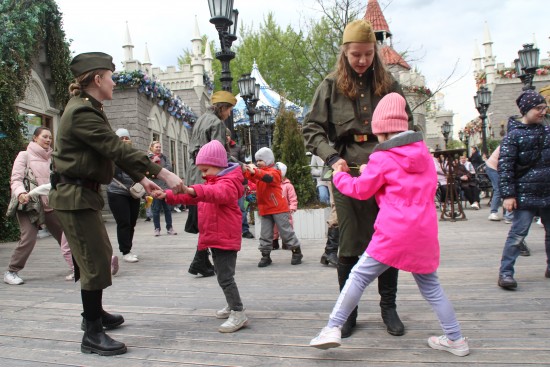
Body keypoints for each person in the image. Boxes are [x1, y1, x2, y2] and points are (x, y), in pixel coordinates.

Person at [309, 93, 469, 357]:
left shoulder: (382, 158)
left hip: (393, 233)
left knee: (358, 277)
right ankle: (456, 339)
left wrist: (339, 177)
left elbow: (360, 190)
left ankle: (333, 327)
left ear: (381, 131)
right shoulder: (426, 156)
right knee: (432, 288)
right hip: (424, 233)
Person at [49, 52, 183, 356]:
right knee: (94, 259)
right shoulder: (82, 112)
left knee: (95, 256)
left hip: (81, 194)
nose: (114, 80)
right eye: (111, 76)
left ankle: (93, 316)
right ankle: (92, 334)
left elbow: (107, 151)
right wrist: (161, 172)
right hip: (74, 196)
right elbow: (114, 147)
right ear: (97, 79)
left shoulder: (89, 108)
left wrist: (142, 179)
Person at [302, 19, 411, 338]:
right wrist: (333, 159)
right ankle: (347, 311)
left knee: (387, 240)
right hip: (346, 171)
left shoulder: (388, 83)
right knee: (349, 244)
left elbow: (407, 122)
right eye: (355, 55)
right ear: (344, 53)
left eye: (367, 54)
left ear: (374, 52)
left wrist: (394, 158)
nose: (362, 60)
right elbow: (312, 129)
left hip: (386, 170)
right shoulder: (331, 84)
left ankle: (388, 307)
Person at [153, 140, 248, 333]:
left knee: (225, 277)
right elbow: (193, 196)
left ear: (218, 165)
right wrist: (168, 195)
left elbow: (215, 193)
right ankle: (232, 305)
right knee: (224, 276)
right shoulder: (212, 182)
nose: (203, 175)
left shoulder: (229, 183)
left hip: (225, 239)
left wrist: (192, 190)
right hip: (217, 237)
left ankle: (238, 312)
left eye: (205, 170)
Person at [4, 127, 74, 284]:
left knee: (67, 235)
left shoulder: (52, 158)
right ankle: (11, 271)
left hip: (51, 204)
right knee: (28, 238)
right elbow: (16, 178)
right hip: (29, 205)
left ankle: (77, 266)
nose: (48, 140)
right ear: (35, 138)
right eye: (44, 137)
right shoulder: (25, 155)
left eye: (50, 137)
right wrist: (21, 193)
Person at [497, 89, 550, 290]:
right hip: (525, 193)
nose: (542, 111)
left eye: (544, 107)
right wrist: (508, 195)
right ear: (526, 109)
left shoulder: (547, 131)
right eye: (538, 108)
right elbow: (506, 167)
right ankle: (506, 272)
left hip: (547, 190)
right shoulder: (514, 136)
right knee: (518, 234)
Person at [185, 91, 237, 278]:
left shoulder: (201, 119)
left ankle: (201, 260)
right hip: (208, 177)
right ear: (222, 108)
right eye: (229, 110)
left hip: (195, 173)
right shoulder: (216, 123)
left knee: (205, 219)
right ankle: (200, 260)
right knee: (210, 220)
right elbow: (219, 154)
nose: (229, 114)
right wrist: (239, 166)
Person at [243, 147, 303, 267]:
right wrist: (245, 170)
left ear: (268, 160)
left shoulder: (275, 172)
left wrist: (255, 171)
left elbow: (267, 177)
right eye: (257, 160)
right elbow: (253, 176)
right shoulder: (260, 172)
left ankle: (296, 251)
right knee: (265, 234)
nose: (258, 163)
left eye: (261, 160)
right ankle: (265, 255)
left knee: (286, 232)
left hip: (278, 208)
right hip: (265, 209)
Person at [107, 128, 142, 263]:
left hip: (133, 192)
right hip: (117, 192)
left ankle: (129, 248)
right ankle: (125, 251)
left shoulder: (134, 154)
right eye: (121, 138)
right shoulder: (111, 156)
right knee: (124, 222)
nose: (125, 140)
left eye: (126, 138)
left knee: (132, 222)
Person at [226, 128, 254, 239]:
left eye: (228, 135)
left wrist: (245, 182)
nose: (226, 137)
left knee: (241, 207)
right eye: (224, 135)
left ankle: (245, 229)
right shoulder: (219, 148)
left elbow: (243, 166)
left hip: (238, 182)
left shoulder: (237, 148)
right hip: (225, 183)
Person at [148, 141, 177, 236]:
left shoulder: (164, 157)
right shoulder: (148, 158)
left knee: (167, 209)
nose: (158, 148)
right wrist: (161, 171)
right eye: (156, 147)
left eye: (159, 147)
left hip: (166, 188)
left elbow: (169, 168)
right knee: (156, 210)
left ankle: (170, 227)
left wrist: (157, 170)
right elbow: (148, 170)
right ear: (152, 148)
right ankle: (157, 228)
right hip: (155, 188)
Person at [272, 162, 298, 250]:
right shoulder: (272, 185)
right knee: (274, 227)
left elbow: (293, 198)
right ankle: (274, 241)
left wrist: (292, 207)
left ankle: (286, 241)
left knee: (287, 227)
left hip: (285, 211)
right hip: (274, 210)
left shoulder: (288, 186)